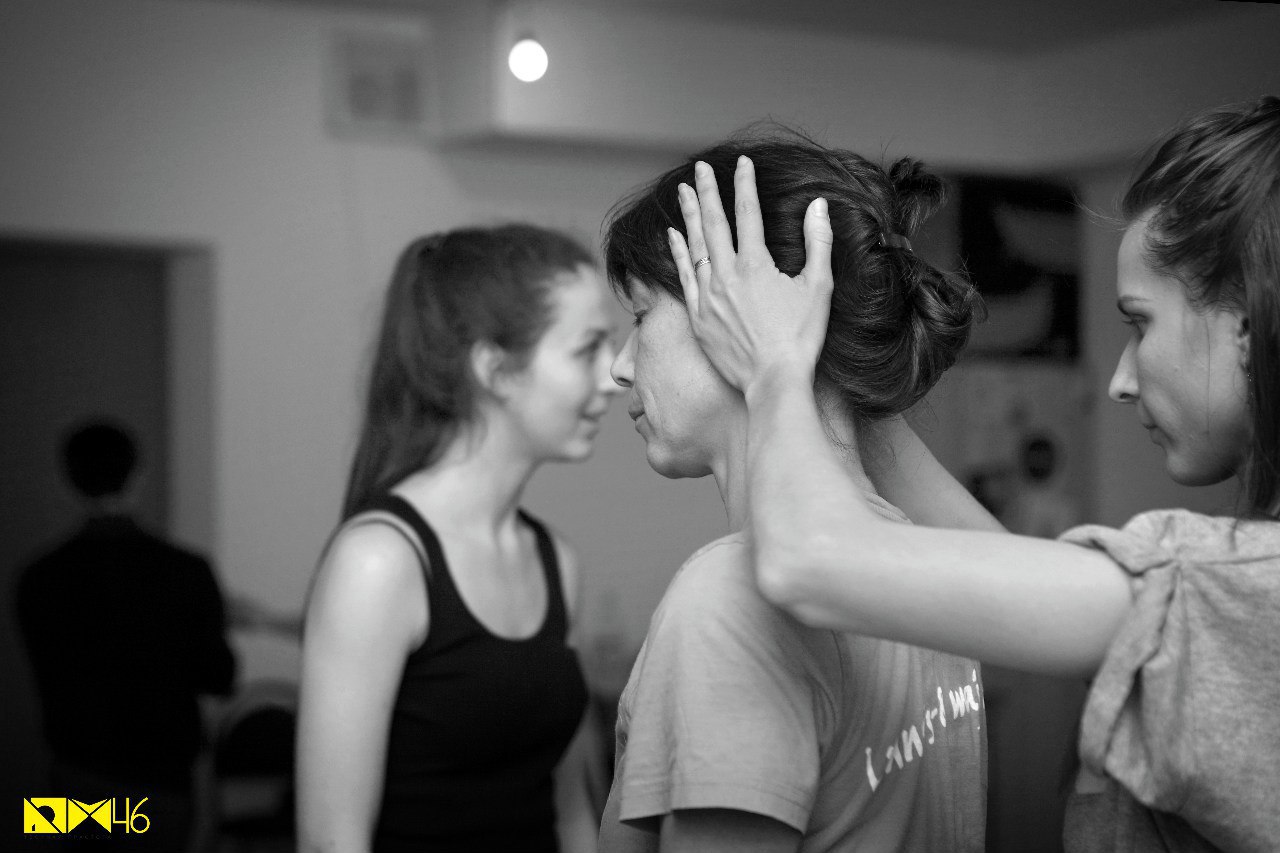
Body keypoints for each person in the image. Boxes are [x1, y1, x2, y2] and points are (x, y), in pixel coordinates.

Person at [669, 97, 1280, 851]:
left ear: (1248, 324)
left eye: (1139, 321)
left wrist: (774, 366)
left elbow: (808, 561)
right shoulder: (1226, 591)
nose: (1121, 380)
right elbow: (1006, 567)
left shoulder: (1244, 587)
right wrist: (840, 367)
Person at [597, 129, 988, 852]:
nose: (620, 367)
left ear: (735, 312)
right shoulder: (933, 568)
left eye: (642, 317)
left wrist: (791, 357)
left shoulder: (731, 597)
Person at [296, 224, 618, 853]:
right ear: (495, 370)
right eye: (588, 350)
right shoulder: (380, 562)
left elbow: (571, 810)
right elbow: (332, 839)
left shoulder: (555, 560)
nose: (613, 376)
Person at [16, 419, 236, 852]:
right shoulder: (186, 571)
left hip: (74, 775)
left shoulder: (38, 578)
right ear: (138, 475)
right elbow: (220, 677)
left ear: (65, 480)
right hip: (161, 781)